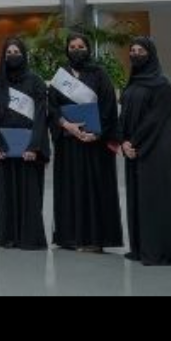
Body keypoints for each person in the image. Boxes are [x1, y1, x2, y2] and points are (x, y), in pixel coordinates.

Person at [120, 36, 171, 266]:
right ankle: (141, 248)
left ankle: (159, 250)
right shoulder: (133, 83)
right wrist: (123, 141)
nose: (135, 54)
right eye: (132, 50)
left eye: (140, 50)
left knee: (155, 199)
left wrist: (133, 142)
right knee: (139, 199)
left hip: (155, 150)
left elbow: (155, 120)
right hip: (133, 150)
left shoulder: (162, 84)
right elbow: (124, 114)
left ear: (151, 54)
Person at [49, 31, 123, 253]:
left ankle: (94, 239)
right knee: (71, 189)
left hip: (95, 145)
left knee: (94, 191)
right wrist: (66, 125)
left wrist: (97, 134)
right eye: (72, 47)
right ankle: (70, 237)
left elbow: (109, 107)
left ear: (88, 49)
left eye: (81, 47)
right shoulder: (60, 76)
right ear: (67, 50)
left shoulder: (99, 74)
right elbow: (51, 108)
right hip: (69, 144)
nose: (77, 51)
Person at [0, 37, 50, 250]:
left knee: (29, 194)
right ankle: (9, 237)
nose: (13, 56)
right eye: (9, 52)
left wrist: (34, 147)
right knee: (6, 195)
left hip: (29, 150)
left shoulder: (36, 81)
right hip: (3, 149)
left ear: (24, 55)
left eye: (16, 52)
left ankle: (30, 238)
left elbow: (41, 117)